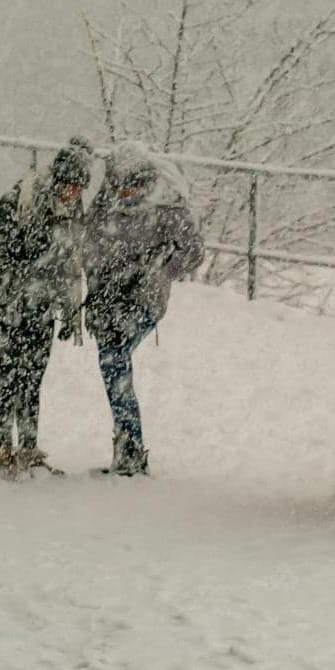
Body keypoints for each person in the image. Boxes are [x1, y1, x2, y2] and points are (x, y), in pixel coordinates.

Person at [81, 142, 204, 476]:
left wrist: (160, 268)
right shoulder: (103, 209)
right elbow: (87, 246)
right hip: (106, 299)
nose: (125, 190)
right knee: (112, 362)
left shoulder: (166, 211)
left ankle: (130, 447)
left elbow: (193, 252)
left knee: (114, 357)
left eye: (133, 183)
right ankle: (128, 446)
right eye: (120, 183)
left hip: (143, 301)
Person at [0, 145, 91, 479]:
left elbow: (70, 262)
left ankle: (28, 447)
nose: (74, 194)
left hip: (40, 308)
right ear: (59, 179)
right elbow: (7, 253)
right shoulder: (19, 200)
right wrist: (38, 254)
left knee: (33, 378)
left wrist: (70, 311)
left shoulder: (68, 209)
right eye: (71, 186)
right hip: (8, 306)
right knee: (11, 376)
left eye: (79, 188)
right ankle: (3, 451)